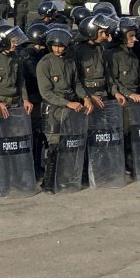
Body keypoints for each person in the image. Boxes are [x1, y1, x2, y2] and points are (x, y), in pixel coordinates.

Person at [36, 29, 93, 193]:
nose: (57, 49)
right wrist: (68, 103)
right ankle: (48, 183)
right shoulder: (44, 63)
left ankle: (65, 178)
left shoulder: (70, 62)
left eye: (61, 46)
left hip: (70, 106)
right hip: (53, 108)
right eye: (54, 46)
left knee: (69, 143)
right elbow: (46, 93)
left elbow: (76, 83)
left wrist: (85, 97)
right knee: (54, 146)